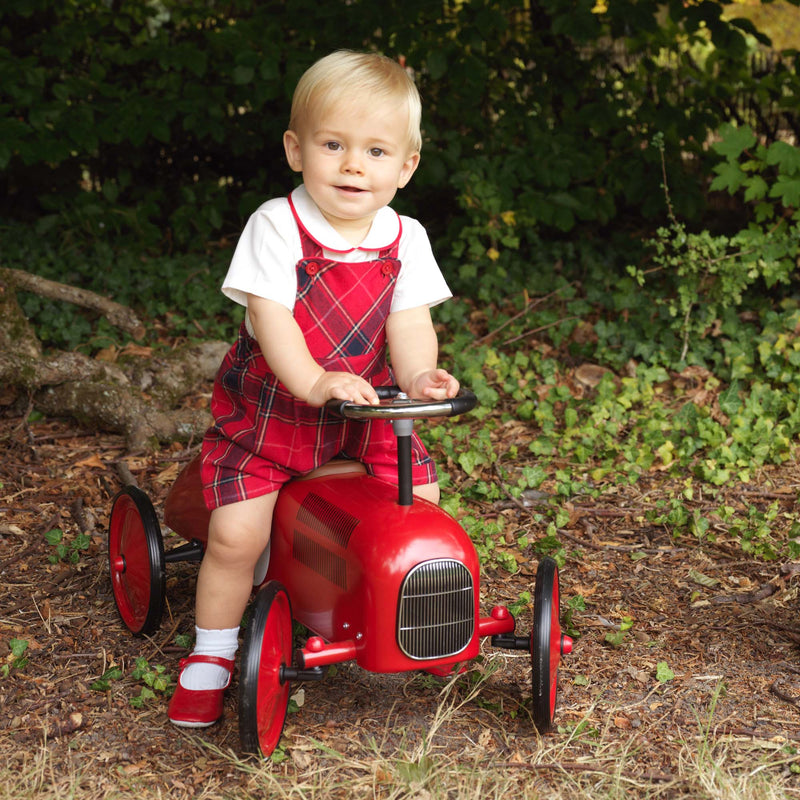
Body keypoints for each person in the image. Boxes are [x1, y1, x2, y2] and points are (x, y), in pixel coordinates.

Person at [167, 49, 459, 728]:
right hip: (277, 411)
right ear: (297, 150)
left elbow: (409, 322)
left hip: (364, 410)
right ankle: (211, 653)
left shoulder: (406, 237)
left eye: (376, 150)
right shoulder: (277, 226)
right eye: (334, 145)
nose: (354, 165)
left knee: (421, 508)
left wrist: (416, 375)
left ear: (406, 166)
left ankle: (388, 610)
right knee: (238, 535)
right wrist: (316, 380)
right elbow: (273, 323)